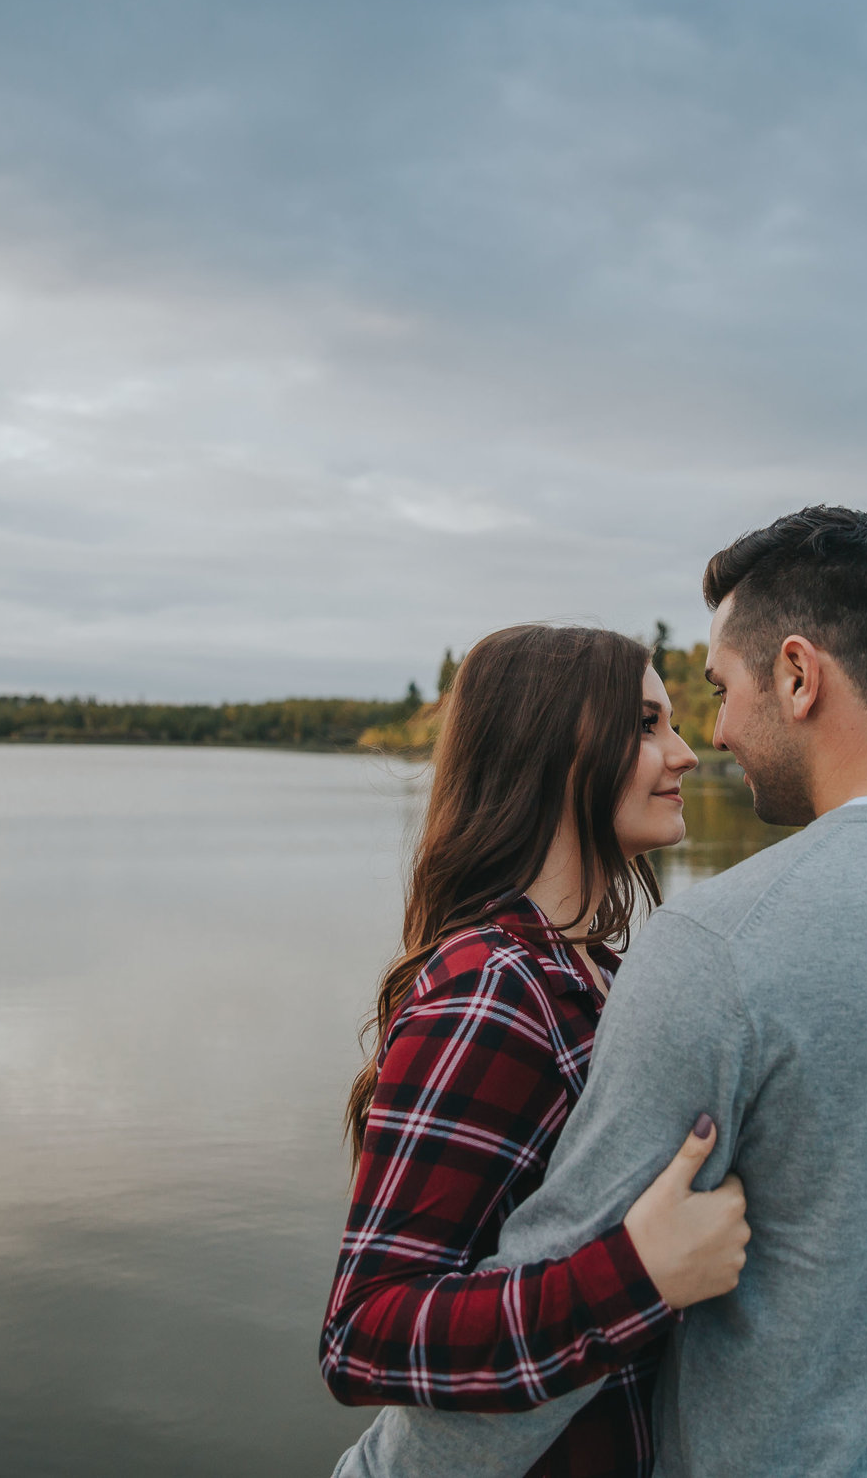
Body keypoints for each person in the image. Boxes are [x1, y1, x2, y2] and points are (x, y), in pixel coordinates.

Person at [338, 506, 867, 1478]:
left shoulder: (716, 948)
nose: (717, 732)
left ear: (796, 673)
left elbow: (559, 1315)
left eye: (719, 690)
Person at [321, 623, 750, 1476]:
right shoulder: (493, 985)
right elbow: (365, 1330)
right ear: (555, 750)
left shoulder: (606, 975)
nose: (687, 752)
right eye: (646, 723)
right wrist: (639, 1276)